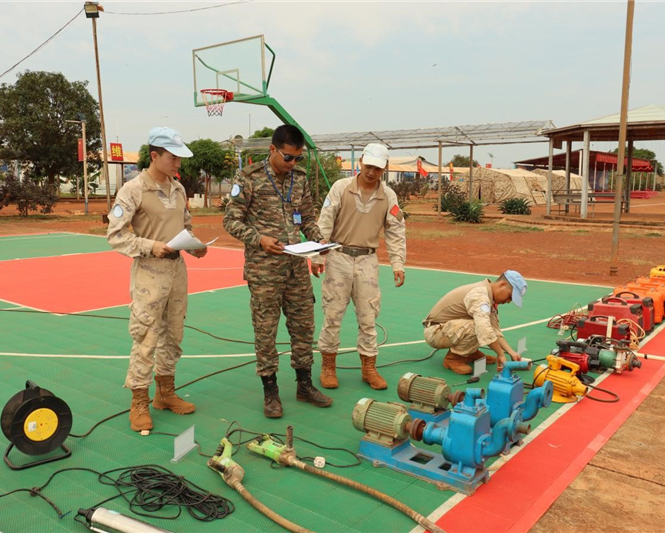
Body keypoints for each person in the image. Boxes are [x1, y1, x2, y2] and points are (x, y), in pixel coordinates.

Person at [223, 124, 332, 418]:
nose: (293, 164)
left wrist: (319, 239)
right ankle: (270, 390)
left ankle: (304, 384)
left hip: (296, 268)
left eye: (297, 158)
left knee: (303, 327)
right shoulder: (248, 179)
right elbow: (231, 221)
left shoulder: (299, 179)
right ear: (272, 150)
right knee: (266, 331)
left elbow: (307, 218)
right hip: (264, 271)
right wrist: (259, 239)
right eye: (287, 157)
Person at [107, 127, 208, 432]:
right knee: (146, 337)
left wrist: (195, 246)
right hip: (150, 271)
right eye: (173, 157)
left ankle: (165, 392)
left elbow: (185, 225)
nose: (179, 163)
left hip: (177, 271)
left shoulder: (178, 189)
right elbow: (116, 236)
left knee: (174, 335)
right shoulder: (133, 190)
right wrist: (151, 246)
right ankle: (139, 400)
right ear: (154, 155)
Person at [311, 143, 406, 390]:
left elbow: (395, 231)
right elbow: (325, 222)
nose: (372, 172)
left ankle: (369, 368)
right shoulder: (341, 188)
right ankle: (328, 367)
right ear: (360, 161)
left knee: (368, 317)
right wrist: (318, 256)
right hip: (338, 257)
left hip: (367, 260)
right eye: (369, 165)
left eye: (378, 168)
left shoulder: (388, 196)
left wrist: (398, 263)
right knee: (332, 315)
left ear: (384, 169)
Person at [422, 271, 527, 375]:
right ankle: (453, 359)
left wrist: (511, 352)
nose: (508, 301)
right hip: (435, 332)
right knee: (479, 325)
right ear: (502, 284)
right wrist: (500, 354)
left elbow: (494, 330)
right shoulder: (479, 296)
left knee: (483, 324)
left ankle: (469, 353)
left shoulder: (489, 297)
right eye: (510, 296)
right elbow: (484, 329)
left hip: (448, 329)